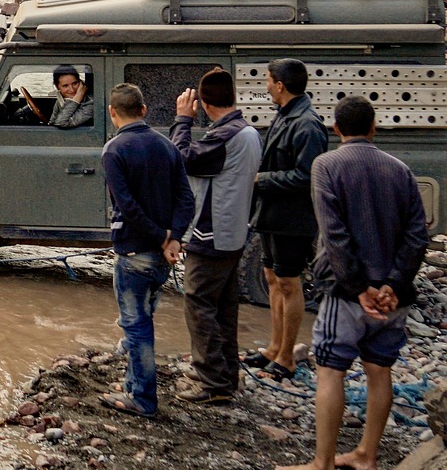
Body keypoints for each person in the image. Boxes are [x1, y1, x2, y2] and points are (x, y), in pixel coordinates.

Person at [275, 96, 429, 470]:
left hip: (347, 293)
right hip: (393, 298)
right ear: (374, 127)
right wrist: (393, 285)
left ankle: (322, 466)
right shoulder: (401, 170)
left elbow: (335, 235)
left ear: (336, 129)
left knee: (330, 372)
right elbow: (416, 235)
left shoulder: (326, 165)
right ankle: (366, 455)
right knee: (380, 371)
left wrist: (360, 288)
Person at [99, 82, 194, 418]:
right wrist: (174, 238)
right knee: (143, 319)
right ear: (143, 110)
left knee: (136, 327)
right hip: (163, 255)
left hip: (134, 252)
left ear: (112, 113)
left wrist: (162, 236)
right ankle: (132, 385)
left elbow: (127, 207)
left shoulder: (114, 151)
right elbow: (186, 199)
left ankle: (143, 398)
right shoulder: (167, 146)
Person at [169, 68, 262, 403]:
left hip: (212, 234)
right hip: (233, 231)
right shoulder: (247, 131)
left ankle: (214, 384)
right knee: (223, 307)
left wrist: (182, 120)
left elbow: (181, 159)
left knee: (198, 304)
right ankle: (226, 374)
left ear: (205, 105)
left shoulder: (226, 137)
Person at [246, 57, 328, 381]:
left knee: (289, 284)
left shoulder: (307, 124)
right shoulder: (284, 116)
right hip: (272, 214)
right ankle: (274, 348)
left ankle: (287, 359)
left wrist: (260, 180)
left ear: (280, 85)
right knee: (272, 278)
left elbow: (308, 176)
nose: (265, 86)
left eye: (267, 80)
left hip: (292, 218)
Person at [21, 64, 94, 128]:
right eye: (65, 86)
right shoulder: (61, 101)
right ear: (57, 87)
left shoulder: (91, 103)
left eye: (75, 83)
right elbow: (53, 123)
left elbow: (60, 123)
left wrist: (78, 97)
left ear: (81, 83)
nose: (72, 90)